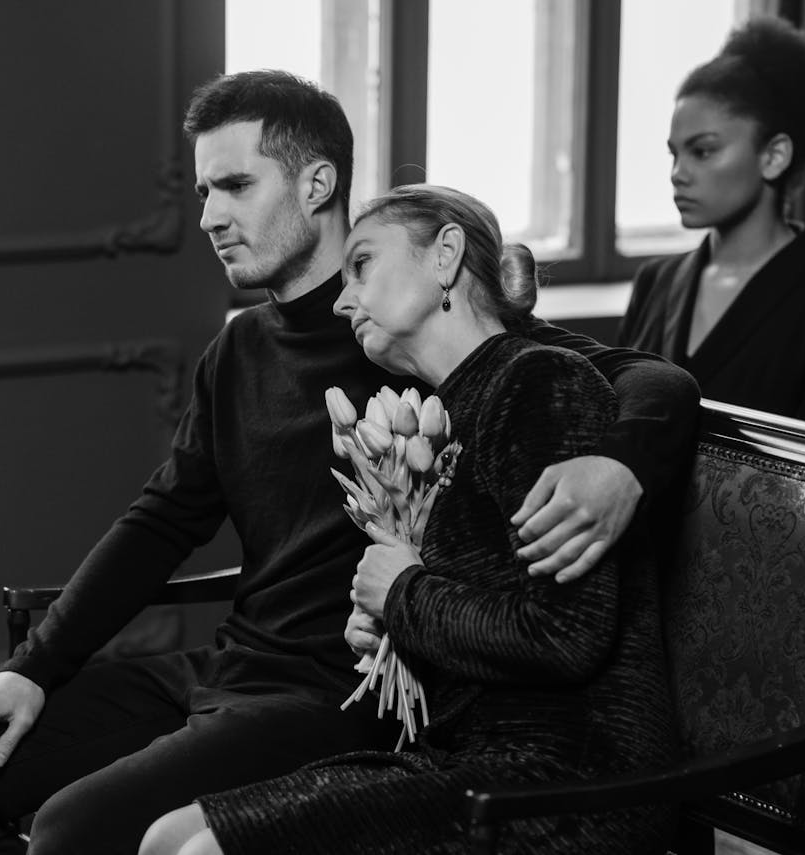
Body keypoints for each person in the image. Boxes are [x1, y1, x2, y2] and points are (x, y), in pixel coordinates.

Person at [0, 71, 700, 854]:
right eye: (203, 191)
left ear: (317, 185)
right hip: (228, 666)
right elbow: (162, 517)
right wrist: (31, 670)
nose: (207, 215)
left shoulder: (407, 326)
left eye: (235, 186)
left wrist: (621, 465)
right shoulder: (240, 346)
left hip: (334, 694)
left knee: (71, 831)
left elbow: (644, 377)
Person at [141, 184, 678, 855]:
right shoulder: (448, 411)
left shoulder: (542, 383)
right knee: (167, 837)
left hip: (568, 775)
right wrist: (395, 635)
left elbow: (566, 636)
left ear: (446, 255)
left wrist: (402, 593)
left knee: (200, 852)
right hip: (463, 757)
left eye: (361, 264)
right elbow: (488, 614)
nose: (340, 298)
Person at [618, 16, 805, 434]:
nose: (678, 173)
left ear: (774, 156)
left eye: (703, 151)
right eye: (674, 154)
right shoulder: (656, 282)